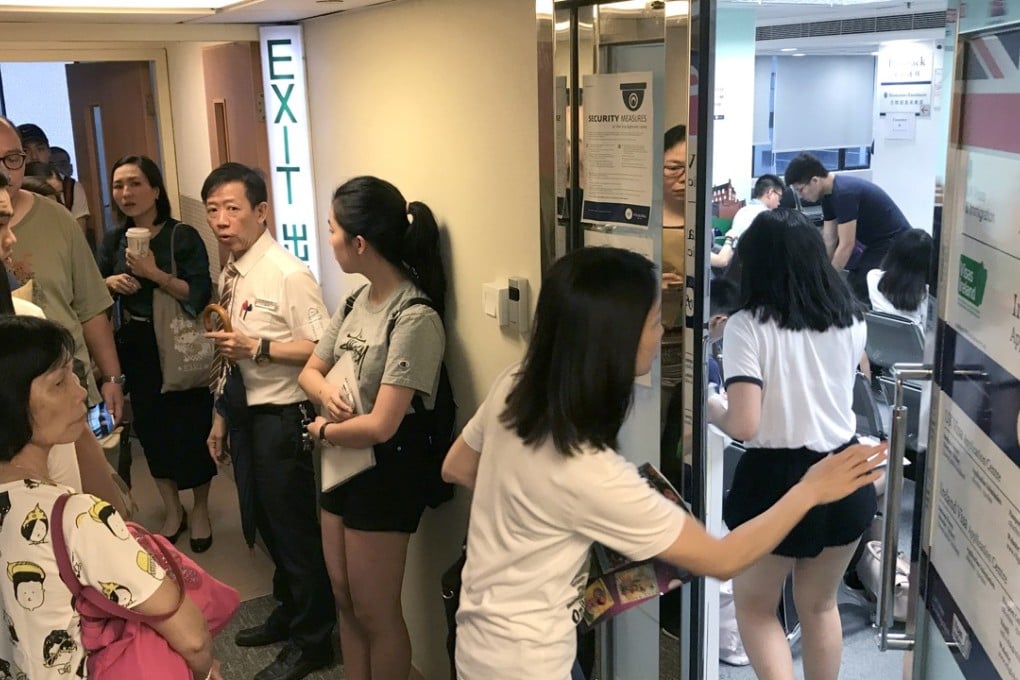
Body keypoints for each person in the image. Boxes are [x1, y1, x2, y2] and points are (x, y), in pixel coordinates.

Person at [441, 246, 886, 680]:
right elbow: (722, 558)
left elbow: (457, 465)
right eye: (655, 321)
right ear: (617, 339)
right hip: (531, 660)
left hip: (478, 637)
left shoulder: (514, 386)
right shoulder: (591, 472)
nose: (663, 331)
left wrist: (536, 507)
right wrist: (810, 489)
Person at [0, 315, 222, 680]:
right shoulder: (75, 516)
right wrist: (203, 672)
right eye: (58, 382)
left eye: (74, 375)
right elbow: (192, 637)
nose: (79, 392)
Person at [707, 209, 874, 680]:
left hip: (776, 482)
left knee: (757, 608)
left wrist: (708, 405)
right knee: (821, 606)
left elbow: (743, 423)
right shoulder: (850, 320)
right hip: (845, 471)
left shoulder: (747, 326)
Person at [298, 176, 447, 680]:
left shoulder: (414, 316)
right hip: (341, 460)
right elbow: (309, 371)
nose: (330, 238)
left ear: (359, 243)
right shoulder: (354, 302)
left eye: (333, 229)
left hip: (385, 472)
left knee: (375, 612)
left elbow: (383, 425)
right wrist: (326, 398)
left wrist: (320, 431)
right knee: (343, 597)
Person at [202, 162, 334, 680]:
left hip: (284, 418)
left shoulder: (288, 273)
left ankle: (314, 639)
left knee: (294, 531)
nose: (221, 220)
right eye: (213, 210)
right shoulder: (231, 271)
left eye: (232, 209)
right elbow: (226, 356)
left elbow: (324, 348)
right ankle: (290, 610)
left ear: (261, 211)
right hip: (244, 414)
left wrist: (258, 346)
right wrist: (219, 416)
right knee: (264, 524)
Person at [98, 155, 217, 550]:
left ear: (155, 189)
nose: (126, 193)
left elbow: (199, 294)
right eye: (118, 185)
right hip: (137, 344)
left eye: (134, 183)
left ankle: (199, 508)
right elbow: (92, 291)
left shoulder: (180, 236)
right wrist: (111, 282)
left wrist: (154, 275)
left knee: (190, 426)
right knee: (151, 429)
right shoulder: (114, 239)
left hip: (180, 343)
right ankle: (172, 508)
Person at [0, 169, 126, 515]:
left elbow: (69, 465)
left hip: (50, 510)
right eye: (0, 224)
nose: (11, 239)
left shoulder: (26, 320)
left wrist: (111, 378)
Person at [1, 118, 125, 427]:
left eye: (13, 158)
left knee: (97, 469)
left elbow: (91, 306)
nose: (5, 170)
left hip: (72, 380)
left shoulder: (57, 217)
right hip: (11, 398)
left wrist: (111, 377)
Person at [784, 152, 910, 302]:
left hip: (897, 244)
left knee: (859, 287)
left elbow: (846, 245)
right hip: (879, 244)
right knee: (853, 282)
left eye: (800, 190)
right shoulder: (828, 195)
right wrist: (820, 273)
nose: (800, 196)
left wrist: (826, 283)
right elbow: (829, 239)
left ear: (815, 180)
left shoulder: (844, 193)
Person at [16, 125, 90, 237]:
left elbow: (79, 238)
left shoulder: (70, 187)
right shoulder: (9, 188)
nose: (34, 156)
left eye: (40, 149)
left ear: (49, 152)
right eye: (25, 150)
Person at [714, 174, 784, 271]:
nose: (779, 203)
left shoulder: (742, 211)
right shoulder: (766, 216)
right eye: (779, 197)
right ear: (770, 192)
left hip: (735, 268)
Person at [867, 227, 933, 330]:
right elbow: (928, 332)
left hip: (878, 342)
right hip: (914, 345)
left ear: (894, 252)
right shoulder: (927, 296)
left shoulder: (873, 277)